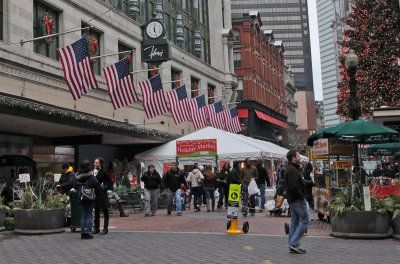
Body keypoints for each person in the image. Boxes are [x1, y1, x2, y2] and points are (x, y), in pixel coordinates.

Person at [285, 150, 310, 254]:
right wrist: (302, 196)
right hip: (297, 199)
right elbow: (294, 186)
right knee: (306, 219)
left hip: (294, 199)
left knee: (294, 222)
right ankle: (294, 243)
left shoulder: (292, 169)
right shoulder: (291, 170)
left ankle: (292, 244)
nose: (300, 157)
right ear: (293, 158)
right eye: (298, 156)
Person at [73, 160, 102, 239]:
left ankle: (82, 233)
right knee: (89, 215)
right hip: (90, 199)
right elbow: (98, 186)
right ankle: (88, 233)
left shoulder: (77, 177)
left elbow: (75, 187)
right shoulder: (91, 177)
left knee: (83, 215)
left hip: (81, 198)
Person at [92, 157, 113, 235]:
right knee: (96, 211)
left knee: (105, 211)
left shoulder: (104, 172)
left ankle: (105, 228)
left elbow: (110, 182)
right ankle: (96, 228)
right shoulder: (93, 171)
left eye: (97, 163)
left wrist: (106, 189)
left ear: (100, 164)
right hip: (95, 193)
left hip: (102, 193)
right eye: (94, 162)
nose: (95, 164)